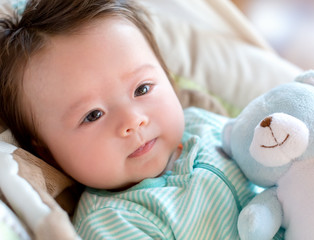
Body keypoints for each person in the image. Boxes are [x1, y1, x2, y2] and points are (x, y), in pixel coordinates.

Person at [0, 0, 283, 239]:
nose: (133, 121)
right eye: (93, 115)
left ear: (169, 80)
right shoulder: (112, 222)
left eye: (142, 89)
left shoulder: (210, 126)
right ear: (46, 152)